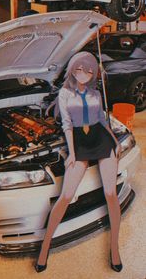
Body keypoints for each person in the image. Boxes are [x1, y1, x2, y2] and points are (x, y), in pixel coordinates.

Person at [35, 51, 122, 273]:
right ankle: (44, 249)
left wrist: (115, 141)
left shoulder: (95, 94)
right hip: (80, 142)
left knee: (111, 194)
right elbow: (66, 124)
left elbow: (102, 120)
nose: (85, 73)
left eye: (90, 70)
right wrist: (72, 154)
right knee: (65, 196)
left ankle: (114, 248)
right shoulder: (65, 94)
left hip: (101, 139)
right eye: (81, 68)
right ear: (73, 68)